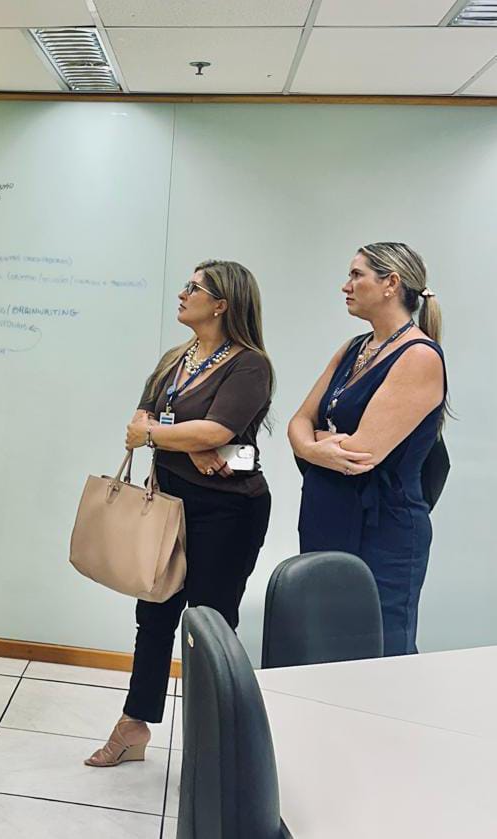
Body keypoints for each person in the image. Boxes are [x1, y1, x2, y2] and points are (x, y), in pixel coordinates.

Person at [87, 260, 274, 767]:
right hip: (169, 505)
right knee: (153, 616)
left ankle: (211, 743)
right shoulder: (178, 356)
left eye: (196, 287)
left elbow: (220, 437)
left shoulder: (250, 364)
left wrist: (171, 438)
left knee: (208, 626)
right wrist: (181, 442)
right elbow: (141, 417)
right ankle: (133, 726)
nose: (183, 292)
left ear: (222, 304)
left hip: (229, 511)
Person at [289, 242, 446, 656]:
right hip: (328, 517)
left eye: (357, 275)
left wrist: (312, 444)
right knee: (325, 648)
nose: (346, 285)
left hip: (383, 532)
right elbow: (296, 422)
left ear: (391, 283)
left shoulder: (419, 356)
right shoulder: (353, 349)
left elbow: (360, 454)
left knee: (379, 655)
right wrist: (317, 445)